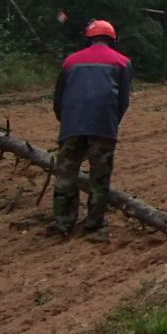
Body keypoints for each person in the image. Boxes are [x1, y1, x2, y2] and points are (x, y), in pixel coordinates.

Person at [50, 19, 132, 240]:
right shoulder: (123, 63)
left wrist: (65, 121)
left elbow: (59, 97)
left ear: (88, 38)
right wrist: (112, 123)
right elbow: (122, 101)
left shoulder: (70, 61)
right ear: (113, 40)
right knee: (99, 176)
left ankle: (63, 221)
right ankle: (94, 223)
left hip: (72, 125)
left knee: (66, 174)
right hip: (103, 126)